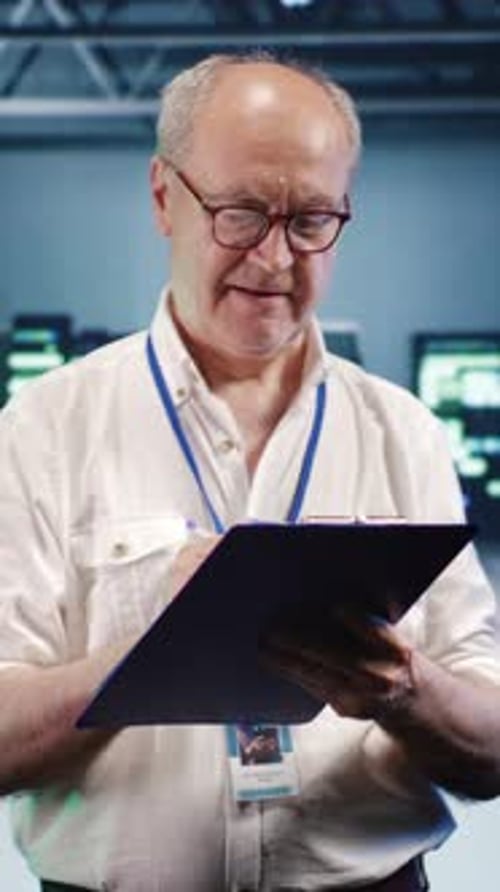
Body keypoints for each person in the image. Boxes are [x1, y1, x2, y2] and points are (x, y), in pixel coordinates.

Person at [0, 51, 499, 892]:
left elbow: (489, 752)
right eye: (240, 214)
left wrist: (404, 691)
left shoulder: (402, 431)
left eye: (310, 221)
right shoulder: (44, 428)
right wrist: (153, 650)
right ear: (165, 197)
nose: (274, 260)